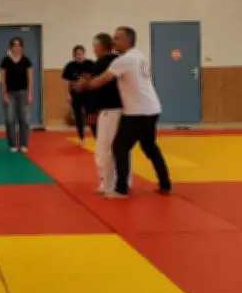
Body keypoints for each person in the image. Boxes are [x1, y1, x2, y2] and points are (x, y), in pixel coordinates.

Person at [74, 26, 172, 198]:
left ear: (127, 40)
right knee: (149, 147)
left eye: (117, 38)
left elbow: (101, 82)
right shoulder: (139, 56)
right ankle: (165, 183)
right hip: (152, 108)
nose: (114, 41)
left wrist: (85, 84)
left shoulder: (124, 60)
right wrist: (92, 80)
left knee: (119, 147)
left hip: (137, 111)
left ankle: (121, 189)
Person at [87, 33, 126, 194]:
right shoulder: (122, 59)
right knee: (121, 148)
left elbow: (96, 88)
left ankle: (107, 183)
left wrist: (91, 111)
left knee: (105, 148)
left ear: (101, 45)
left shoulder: (103, 62)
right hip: (124, 109)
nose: (94, 49)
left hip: (109, 110)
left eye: (94, 45)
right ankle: (124, 180)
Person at [0, 37, 34, 153]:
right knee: (10, 119)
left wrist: (30, 94)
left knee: (24, 119)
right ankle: (12, 144)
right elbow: (2, 79)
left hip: (23, 92)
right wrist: (4, 94)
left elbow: (30, 78)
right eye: (14, 45)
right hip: (10, 93)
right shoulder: (5, 61)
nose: (16, 47)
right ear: (11, 47)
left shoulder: (26, 61)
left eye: (18, 45)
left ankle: (23, 144)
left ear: (21, 47)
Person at [62, 45, 95, 143]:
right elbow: (66, 81)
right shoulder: (70, 66)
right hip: (75, 95)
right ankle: (81, 137)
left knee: (91, 116)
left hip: (89, 95)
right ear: (74, 55)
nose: (79, 56)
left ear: (84, 54)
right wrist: (68, 94)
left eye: (81, 54)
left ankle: (96, 136)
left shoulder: (91, 64)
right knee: (78, 117)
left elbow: (96, 78)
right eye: (77, 54)